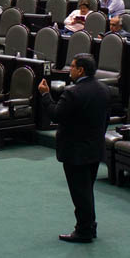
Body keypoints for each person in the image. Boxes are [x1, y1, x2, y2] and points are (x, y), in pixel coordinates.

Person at [37, 53, 110, 243]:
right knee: (87, 189)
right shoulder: (104, 89)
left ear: (81, 70)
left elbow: (56, 115)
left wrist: (45, 95)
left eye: (73, 66)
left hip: (75, 150)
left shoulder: (73, 92)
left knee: (80, 192)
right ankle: (89, 226)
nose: (70, 69)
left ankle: (84, 230)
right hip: (94, 147)